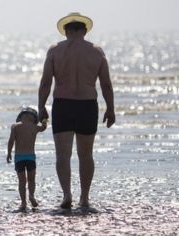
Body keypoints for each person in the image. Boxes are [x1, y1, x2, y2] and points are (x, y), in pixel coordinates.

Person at [37, 13, 115, 209]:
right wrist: (111, 108)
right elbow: (106, 85)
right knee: (86, 155)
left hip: (63, 104)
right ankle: (85, 198)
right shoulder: (96, 52)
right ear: (85, 31)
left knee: (63, 155)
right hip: (87, 105)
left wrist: (41, 107)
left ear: (66, 32)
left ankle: (66, 195)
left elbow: (46, 82)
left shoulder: (55, 51)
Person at [6, 107, 47, 211]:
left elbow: (11, 141)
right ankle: (31, 196)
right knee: (31, 179)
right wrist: (45, 119)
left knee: (22, 181)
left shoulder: (15, 126)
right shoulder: (34, 127)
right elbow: (43, 127)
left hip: (19, 157)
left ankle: (23, 202)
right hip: (30, 157)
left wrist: (9, 153)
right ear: (34, 118)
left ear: (21, 117)